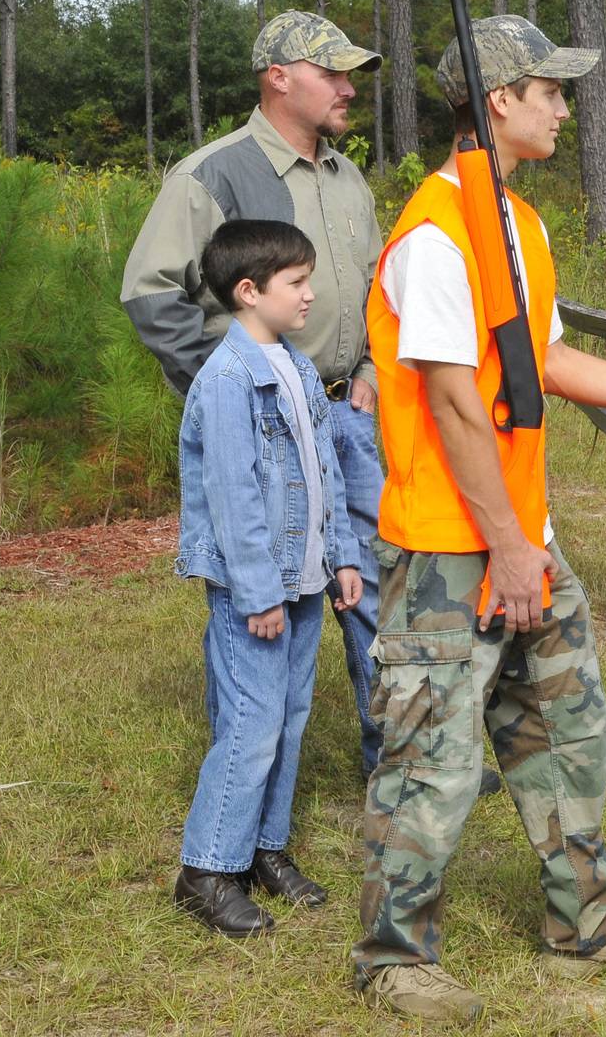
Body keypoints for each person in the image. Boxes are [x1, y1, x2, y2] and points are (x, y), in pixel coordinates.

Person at [352, 15, 606, 1023]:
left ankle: (587, 922)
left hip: (516, 537)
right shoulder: (437, 234)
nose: (562, 104)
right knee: (432, 753)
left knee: (565, 724)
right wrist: (504, 543)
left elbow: (545, 365)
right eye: (547, 88)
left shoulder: (517, 224)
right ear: (499, 101)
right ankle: (393, 956)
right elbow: (455, 402)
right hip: (455, 547)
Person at [120, 11, 387, 778]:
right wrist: (234, 390)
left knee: (370, 589)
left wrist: (368, 365)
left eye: (352, 74)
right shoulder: (213, 173)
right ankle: (249, 784)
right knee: (261, 605)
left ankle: (392, 769)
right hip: (272, 436)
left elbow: (372, 288)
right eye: (332, 72)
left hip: (352, 417)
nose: (347, 87)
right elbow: (149, 291)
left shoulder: (347, 176)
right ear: (278, 76)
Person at [172, 219, 365, 937]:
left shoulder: (297, 365)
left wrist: (341, 554)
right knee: (250, 726)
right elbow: (233, 498)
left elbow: (325, 472)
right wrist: (256, 594)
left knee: (289, 719)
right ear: (249, 292)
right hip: (258, 590)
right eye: (297, 282)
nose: (311, 294)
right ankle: (206, 872)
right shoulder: (227, 381)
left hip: (306, 579)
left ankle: (264, 850)